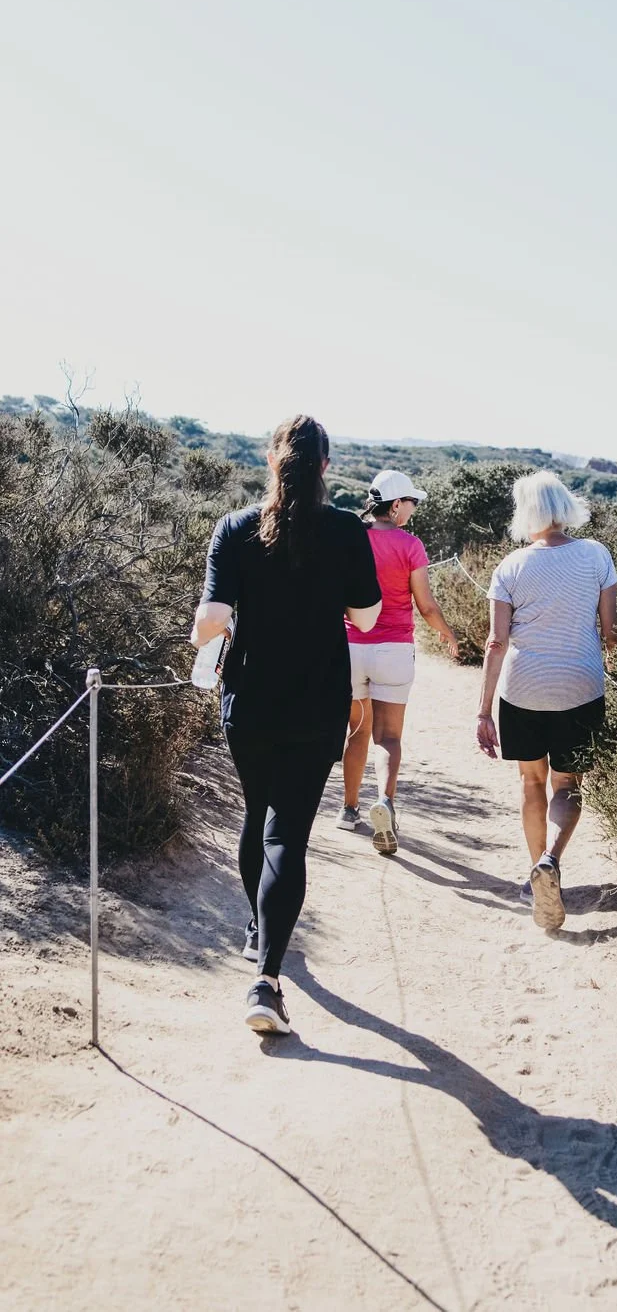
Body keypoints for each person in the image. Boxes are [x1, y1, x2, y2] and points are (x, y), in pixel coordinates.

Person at [191, 416, 381, 1036]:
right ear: (324, 467)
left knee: (258, 816)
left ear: (273, 462)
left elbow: (210, 621)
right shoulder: (347, 529)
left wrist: (210, 639)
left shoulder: (236, 528)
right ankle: (267, 979)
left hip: (249, 701)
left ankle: (257, 931)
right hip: (318, 702)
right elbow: (368, 613)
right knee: (286, 834)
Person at [475, 471, 617, 931]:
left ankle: (534, 868)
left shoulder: (511, 566)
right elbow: (611, 633)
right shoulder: (597, 555)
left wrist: (483, 711)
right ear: (564, 506)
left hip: (523, 689)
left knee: (532, 783)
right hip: (579, 685)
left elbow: (496, 643)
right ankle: (552, 861)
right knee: (568, 785)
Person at [339, 469, 458, 854]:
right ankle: (385, 802)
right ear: (395, 505)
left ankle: (348, 809)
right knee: (388, 737)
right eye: (411, 502)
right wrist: (447, 632)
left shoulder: (351, 538)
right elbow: (425, 604)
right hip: (393, 648)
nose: (414, 509)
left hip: (352, 645)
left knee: (356, 730)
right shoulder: (411, 545)